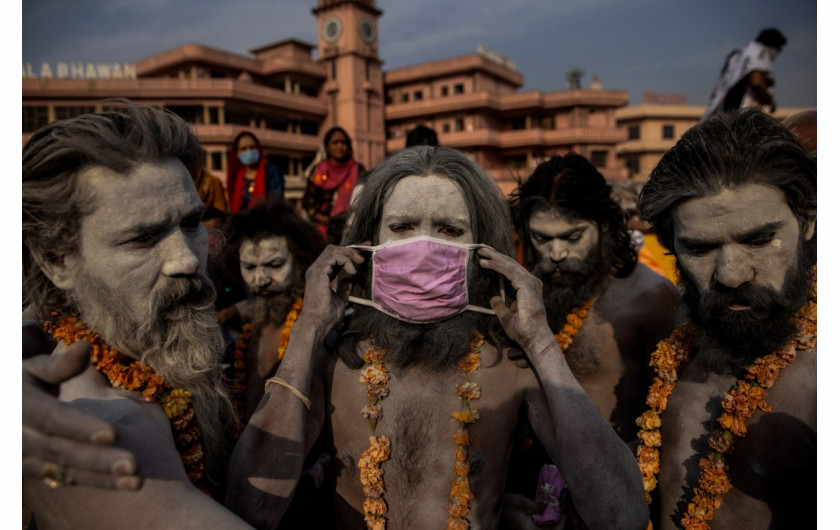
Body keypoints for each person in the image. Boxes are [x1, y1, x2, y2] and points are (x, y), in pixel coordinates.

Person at [225, 146, 648, 529]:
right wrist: (308, 331)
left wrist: (541, 344)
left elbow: (620, 515)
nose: (423, 247)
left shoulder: (511, 367)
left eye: (448, 230)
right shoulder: (333, 360)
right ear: (368, 242)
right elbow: (250, 508)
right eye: (403, 226)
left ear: (485, 250)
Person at [22, 102, 250, 528]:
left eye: (191, 223)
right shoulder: (95, 430)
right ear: (58, 261)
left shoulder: (162, 354)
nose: (185, 259)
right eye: (143, 238)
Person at [635, 108, 816, 528]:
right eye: (700, 249)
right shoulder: (679, 345)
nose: (732, 274)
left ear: (806, 222)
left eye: (759, 239)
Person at [504, 155, 680, 526]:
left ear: (604, 225)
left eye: (572, 236)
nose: (555, 254)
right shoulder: (521, 292)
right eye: (541, 238)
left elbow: (673, 420)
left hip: (617, 492)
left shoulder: (650, 297)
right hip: (531, 487)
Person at [216, 197, 326, 423]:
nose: (260, 279)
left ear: (300, 260)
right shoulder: (249, 327)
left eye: (274, 265)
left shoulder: (320, 323)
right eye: (249, 267)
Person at [701, 28, 787, 121]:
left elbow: (738, 78)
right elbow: (756, 82)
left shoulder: (741, 52)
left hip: (718, 112)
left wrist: (765, 82)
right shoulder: (760, 51)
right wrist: (767, 98)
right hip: (735, 114)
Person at [301, 126, 366, 232]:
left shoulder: (358, 170)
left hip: (354, 227)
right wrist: (323, 219)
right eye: (335, 142)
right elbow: (308, 200)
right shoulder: (318, 171)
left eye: (343, 143)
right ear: (327, 147)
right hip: (324, 228)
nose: (340, 146)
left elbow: (367, 197)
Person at [226, 130, 285, 213]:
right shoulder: (237, 177)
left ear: (258, 149)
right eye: (244, 149)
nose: (249, 151)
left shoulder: (271, 172)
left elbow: (276, 202)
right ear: (237, 154)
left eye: (252, 147)